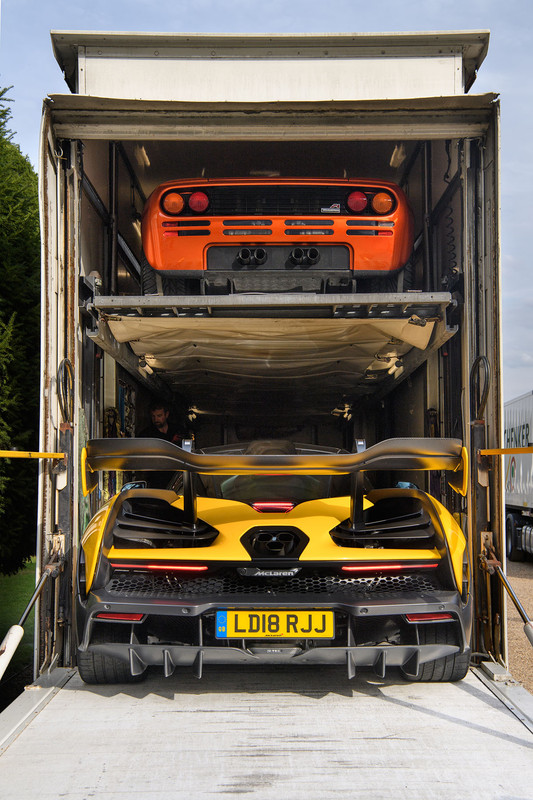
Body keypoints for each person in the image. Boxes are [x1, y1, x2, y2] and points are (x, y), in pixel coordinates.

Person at [137, 402, 187, 488]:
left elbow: (187, 450)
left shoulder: (177, 430)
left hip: (176, 475)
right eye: (153, 416)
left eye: (159, 416)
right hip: (156, 477)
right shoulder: (146, 434)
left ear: (166, 415)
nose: (156, 419)